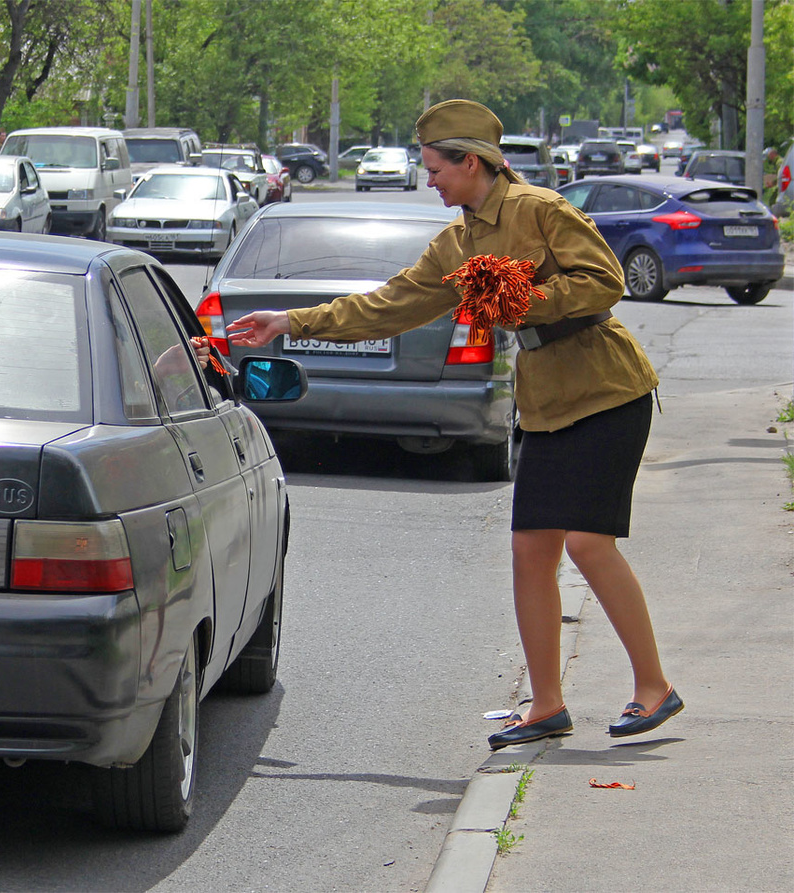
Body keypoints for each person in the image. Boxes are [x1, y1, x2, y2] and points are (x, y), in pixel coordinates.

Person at [225, 99, 682, 750]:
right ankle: (547, 705)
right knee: (531, 552)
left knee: (586, 542)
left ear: (472, 162)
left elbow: (605, 281)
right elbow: (392, 305)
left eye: (436, 167)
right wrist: (292, 322)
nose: (429, 179)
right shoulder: (459, 241)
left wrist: (526, 295)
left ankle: (654, 686)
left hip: (609, 390)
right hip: (549, 399)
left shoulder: (540, 211)